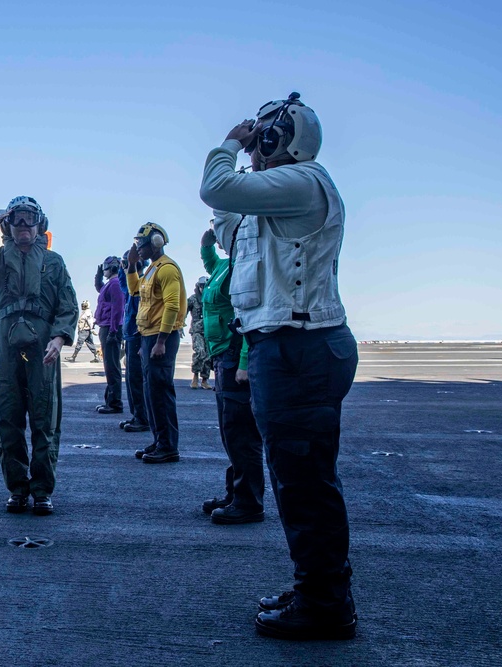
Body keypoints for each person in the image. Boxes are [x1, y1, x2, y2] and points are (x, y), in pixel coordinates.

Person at [200, 92, 359, 640]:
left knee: (306, 481)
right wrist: (237, 177)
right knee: (296, 481)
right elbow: (227, 226)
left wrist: (227, 144)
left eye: (265, 135)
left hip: (302, 348)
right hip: (284, 347)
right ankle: (317, 585)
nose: (257, 143)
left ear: (282, 139)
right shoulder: (275, 205)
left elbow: (215, 186)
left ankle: (326, 602)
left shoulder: (305, 181)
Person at [0, 196, 78, 515]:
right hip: (5, 344)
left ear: (40, 224)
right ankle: (18, 488)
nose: (24, 226)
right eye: (17, 219)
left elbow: (68, 305)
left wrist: (60, 338)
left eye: (29, 219)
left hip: (43, 346)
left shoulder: (54, 262)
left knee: (44, 419)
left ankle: (42, 490)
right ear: (8, 225)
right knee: (8, 417)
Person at [199, 224, 265, 526]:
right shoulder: (226, 265)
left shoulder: (244, 266)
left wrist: (243, 363)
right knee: (229, 431)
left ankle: (248, 502)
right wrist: (207, 241)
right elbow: (210, 261)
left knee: (240, 432)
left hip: (233, 352)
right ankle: (235, 493)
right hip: (220, 356)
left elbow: (247, 316)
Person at [126, 222, 186, 464]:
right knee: (151, 393)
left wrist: (160, 342)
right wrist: (131, 265)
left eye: (141, 244)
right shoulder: (151, 270)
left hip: (162, 337)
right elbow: (134, 291)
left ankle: (169, 446)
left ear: (156, 242)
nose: (138, 248)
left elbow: (172, 305)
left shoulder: (167, 269)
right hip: (149, 336)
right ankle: (160, 440)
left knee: (160, 392)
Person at [119, 249, 150, 433]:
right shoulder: (133, 286)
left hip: (138, 338)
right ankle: (136, 415)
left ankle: (142, 417)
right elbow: (125, 286)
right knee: (131, 379)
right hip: (131, 337)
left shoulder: (141, 286)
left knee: (137, 380)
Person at [94, 256, 125, 414]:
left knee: (112, 366)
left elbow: (117, 309)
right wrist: (98, 278)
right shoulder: (110, 284)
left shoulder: (115, 284)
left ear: (112, 268)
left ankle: (114, 403)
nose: (104, 270)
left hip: (110, 328)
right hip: (107, 327)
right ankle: (110, 400)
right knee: (109, 365)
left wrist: (113, 331)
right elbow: (101, 291)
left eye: (105, 268)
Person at [187, 277, 211, 389]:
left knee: (208, 356)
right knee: (200, 352)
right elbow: (183, 312)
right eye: (201, 286)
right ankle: (195, 376)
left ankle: (205, 380)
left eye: (204, 286)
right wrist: (179, 325)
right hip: (197, 330)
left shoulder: (211, 298)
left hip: (209, 330)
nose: (202, 288)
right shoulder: (192, 299)